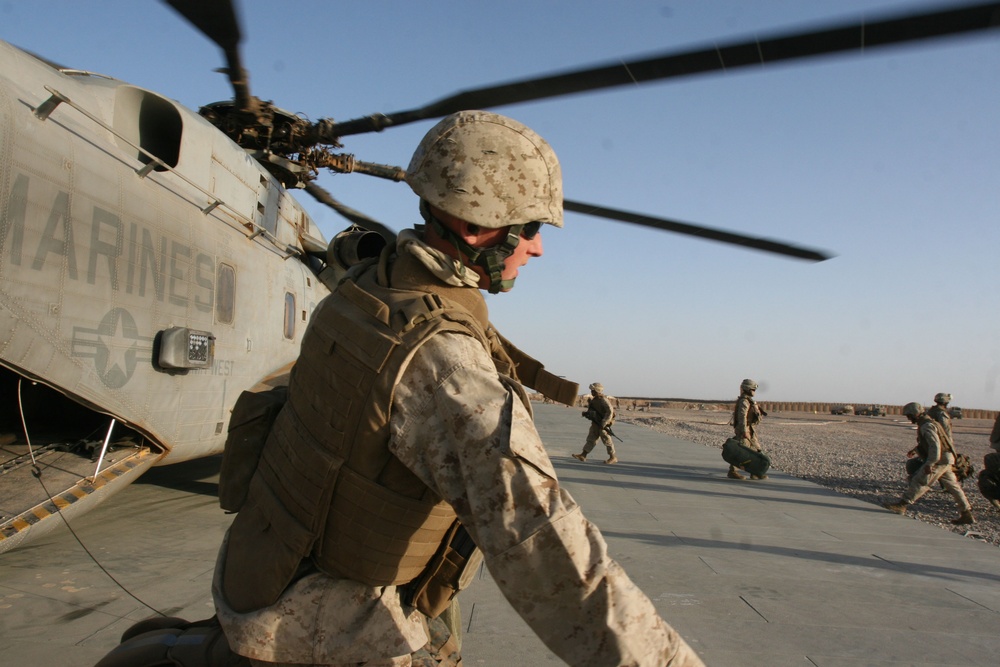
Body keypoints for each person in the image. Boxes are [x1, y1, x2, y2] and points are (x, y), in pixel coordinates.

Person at [211, 111, 704, 667]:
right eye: (532, 228)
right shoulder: (445, 367)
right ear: (474, 230)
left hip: (260, 571)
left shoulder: (373, 280)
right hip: (332, 633)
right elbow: (549, 552)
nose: (537, 249)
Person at [884, 402, 974, 525]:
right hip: (946, 459)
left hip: (939, 459)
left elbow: (935, 446)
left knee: (920, 480)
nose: (909, 418)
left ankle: (902, 505)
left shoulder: (927, 426)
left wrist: (930, 463)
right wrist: (916, 450)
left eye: (909, 415)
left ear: (916, 413)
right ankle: (966, 513)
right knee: (953, 486)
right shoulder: (929, 423)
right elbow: (930, 443)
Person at [728, 378, 767, 480]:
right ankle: (732, 471)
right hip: (744, 430)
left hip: (751, 429)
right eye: (753, 389)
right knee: (740, 451)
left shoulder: (749, 401)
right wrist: (744, 430)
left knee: (756, 449)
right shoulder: (744, 401)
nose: (754, 392)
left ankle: (755, 472)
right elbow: (742, 416)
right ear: (747, 389)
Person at [572, 382, 618, 464]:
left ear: (597, 391)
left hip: (603, 424)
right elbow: (592, 411)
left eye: (593, 391)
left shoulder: (603, 400)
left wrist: (604, 422)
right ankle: (583, 455)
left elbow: (610, 412)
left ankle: (613, 457)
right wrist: (587, 414)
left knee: (606, 440)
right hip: (596, 423)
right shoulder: (594, 400)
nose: (591, 392)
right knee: (591, 438)